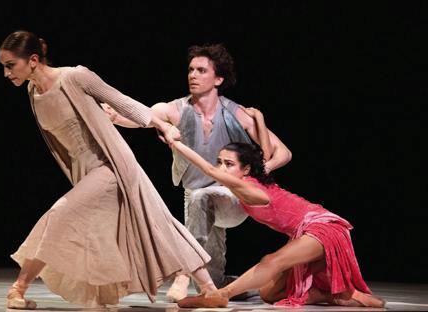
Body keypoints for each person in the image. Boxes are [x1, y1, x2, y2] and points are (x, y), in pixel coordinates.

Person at [0, 30, 218, 309]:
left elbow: (120, 100)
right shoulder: (33, 91)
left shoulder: (75, 77)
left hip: (110, 166)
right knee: (156, 223)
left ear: (32, 60)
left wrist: (161, 125)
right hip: (85, 171)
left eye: (10, 65)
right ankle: (210, 290)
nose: (6, 73)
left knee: (59, 214)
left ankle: (18, 287)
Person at [103, 44, 292, 299]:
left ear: (218, 79)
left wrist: (260, 172)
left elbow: (284, 152)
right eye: (191, 69)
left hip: (233, 199)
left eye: (201, 70)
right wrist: (116, 116)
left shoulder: (235, 113)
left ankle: (182, 274)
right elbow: (144, 116)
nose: (193, 75)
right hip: (196, 201)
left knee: (200, 198)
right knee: (209, 279)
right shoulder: (176, 110)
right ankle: (238, 289)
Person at [166, 107, 386, 308]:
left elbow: (209, 170)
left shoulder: (251, 188)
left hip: (323, 226)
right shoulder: (253, 179)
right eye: (220, 161)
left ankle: (219, 295)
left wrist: (175, 144)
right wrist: (260, 120)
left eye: (229, 164)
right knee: (269, 293)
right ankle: (327, 295)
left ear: (246, 170)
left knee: (272, 261)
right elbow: (264, 151)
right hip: (305, 231)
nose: (221, 168)